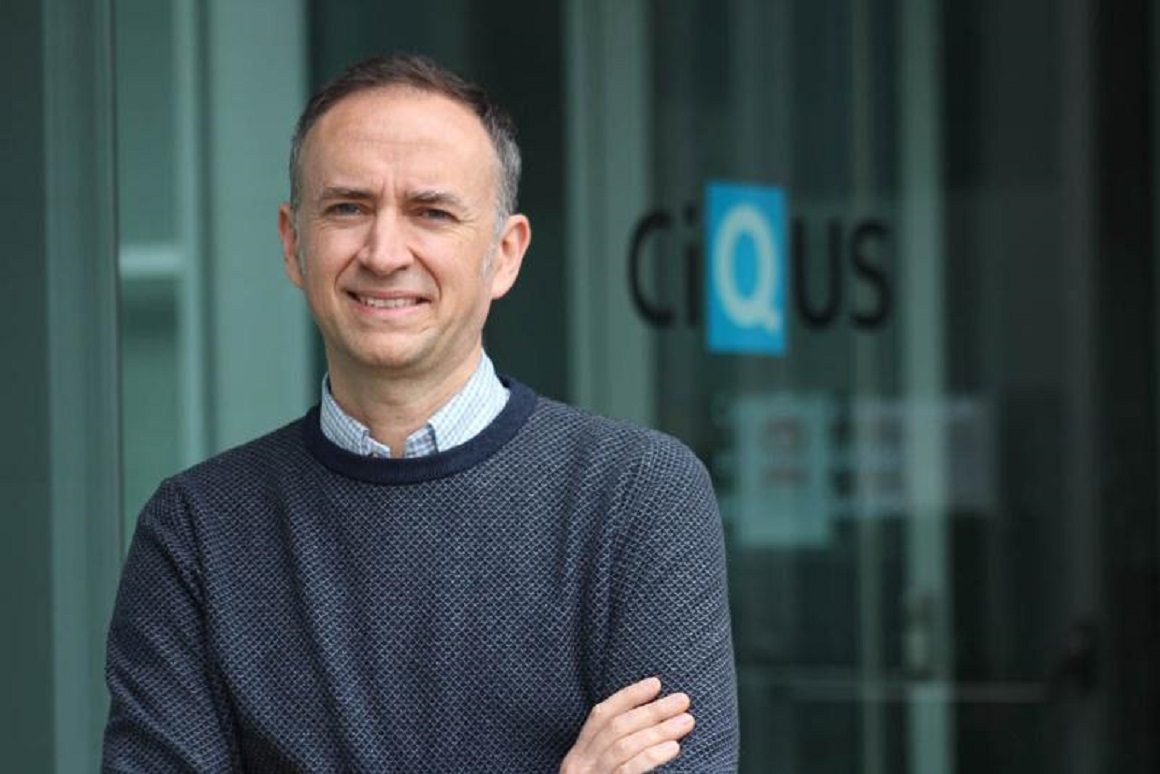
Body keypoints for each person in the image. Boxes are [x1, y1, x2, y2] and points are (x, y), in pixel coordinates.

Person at [103, 53, 738, 773]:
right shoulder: (196, 531)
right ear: (293, 243)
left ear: (504, 254)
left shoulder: (637, 496)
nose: (383, 253)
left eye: (431, 213)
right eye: (347, 208)